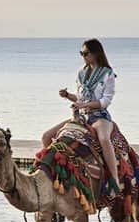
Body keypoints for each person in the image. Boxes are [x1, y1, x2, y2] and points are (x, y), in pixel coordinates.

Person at [47, 37, 124, 195]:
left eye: (86, 53)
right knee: (46, 137)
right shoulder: (81, 74)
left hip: (99, 116)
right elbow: (80, 98)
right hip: (81, 116)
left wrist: (85, 105)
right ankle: (51, 176)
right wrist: (68, 95)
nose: (83, 56)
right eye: (81, 53)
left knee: (103, 139)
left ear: (96, 53)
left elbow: (105, 101)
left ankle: (114, 179)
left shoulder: (107, 74)